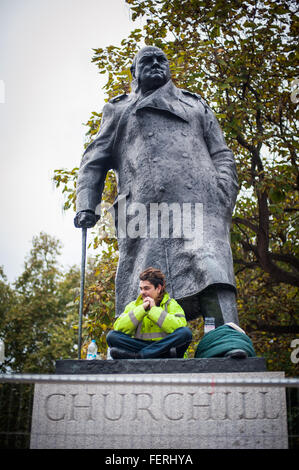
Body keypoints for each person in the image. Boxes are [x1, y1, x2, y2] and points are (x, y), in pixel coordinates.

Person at [75, 45, 240, 327]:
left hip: (201, 206)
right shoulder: (119, 110)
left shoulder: (195, 105)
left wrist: (223, 189)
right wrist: (86, 205)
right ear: (134, 72)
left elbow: (222, 153)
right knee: (146, 285)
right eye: (146, 60)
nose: (155, 64)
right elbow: (93, 161)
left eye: (160, 59)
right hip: (144, 215)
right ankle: (149, 347)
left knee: (212, 271)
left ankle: (223, 338)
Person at [106, 267, 192, 359]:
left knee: (186, 333)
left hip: (165, 346)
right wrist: (141, 309)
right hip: (155, 350)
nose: (142, 292)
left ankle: (141, 355)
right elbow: (118, 328)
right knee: (111, 336)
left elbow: (180, 328)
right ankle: (151, 354)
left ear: (158, 288)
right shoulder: (133, 306)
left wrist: (154, 310)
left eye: (146, 288)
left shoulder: (172, 304)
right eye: (141, 289)